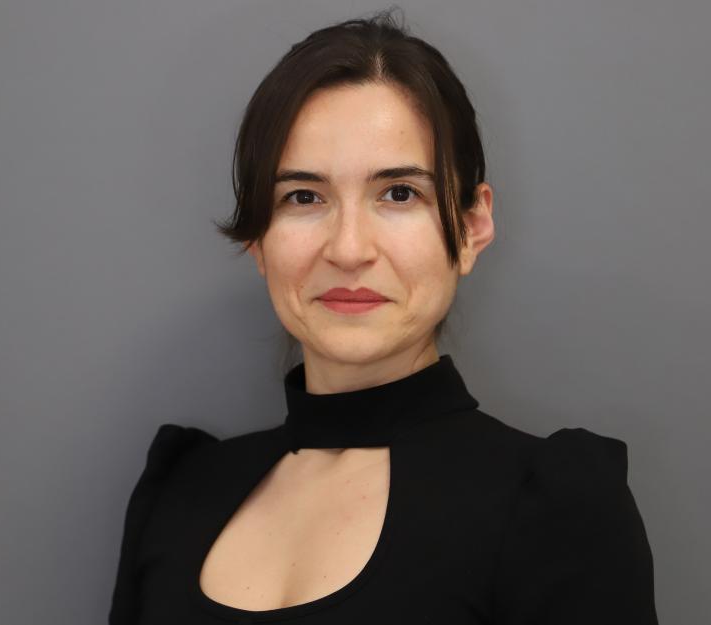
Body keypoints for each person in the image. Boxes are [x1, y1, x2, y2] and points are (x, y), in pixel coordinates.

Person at [109, 8, 659, 624]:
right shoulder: (180, 493)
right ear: (259, 240)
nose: (348, 250)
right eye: (303, 197)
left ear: (471, 227)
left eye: (399, 194)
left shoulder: (555, 507)